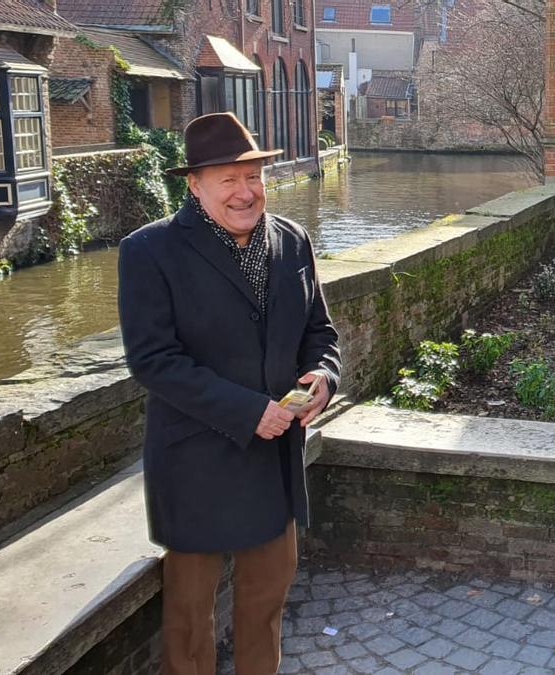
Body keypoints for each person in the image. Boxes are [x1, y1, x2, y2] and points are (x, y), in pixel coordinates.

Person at [117, 112, 341, 675]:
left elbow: (320, 331)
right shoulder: (149, 252)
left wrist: (322, 376)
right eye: (227, 180)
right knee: (191, 619)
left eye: (254, 177)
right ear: (193, 184)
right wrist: (247, 411)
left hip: (273, 460)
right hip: (195, 461)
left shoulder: (292, 241)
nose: (246, 193)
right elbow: (153, 361)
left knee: (266, 603)